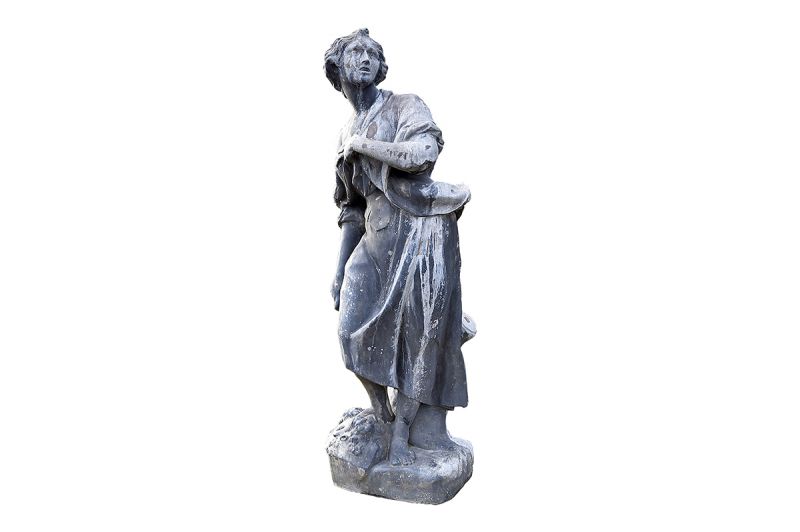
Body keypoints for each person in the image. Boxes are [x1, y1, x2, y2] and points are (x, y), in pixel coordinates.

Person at [324, 29, 471, 466]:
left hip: (420, 231)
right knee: (349, 331)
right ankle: (383, 415)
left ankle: (404, 433)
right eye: (355, 52)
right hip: (375, 236)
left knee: (418, 339)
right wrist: (339, 268)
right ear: (337, 68)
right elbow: (351, 208)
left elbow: (423, 155)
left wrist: (364, 146)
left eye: (372, 53)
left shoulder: (405, 105)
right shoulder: (345, 132)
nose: (365, 58)